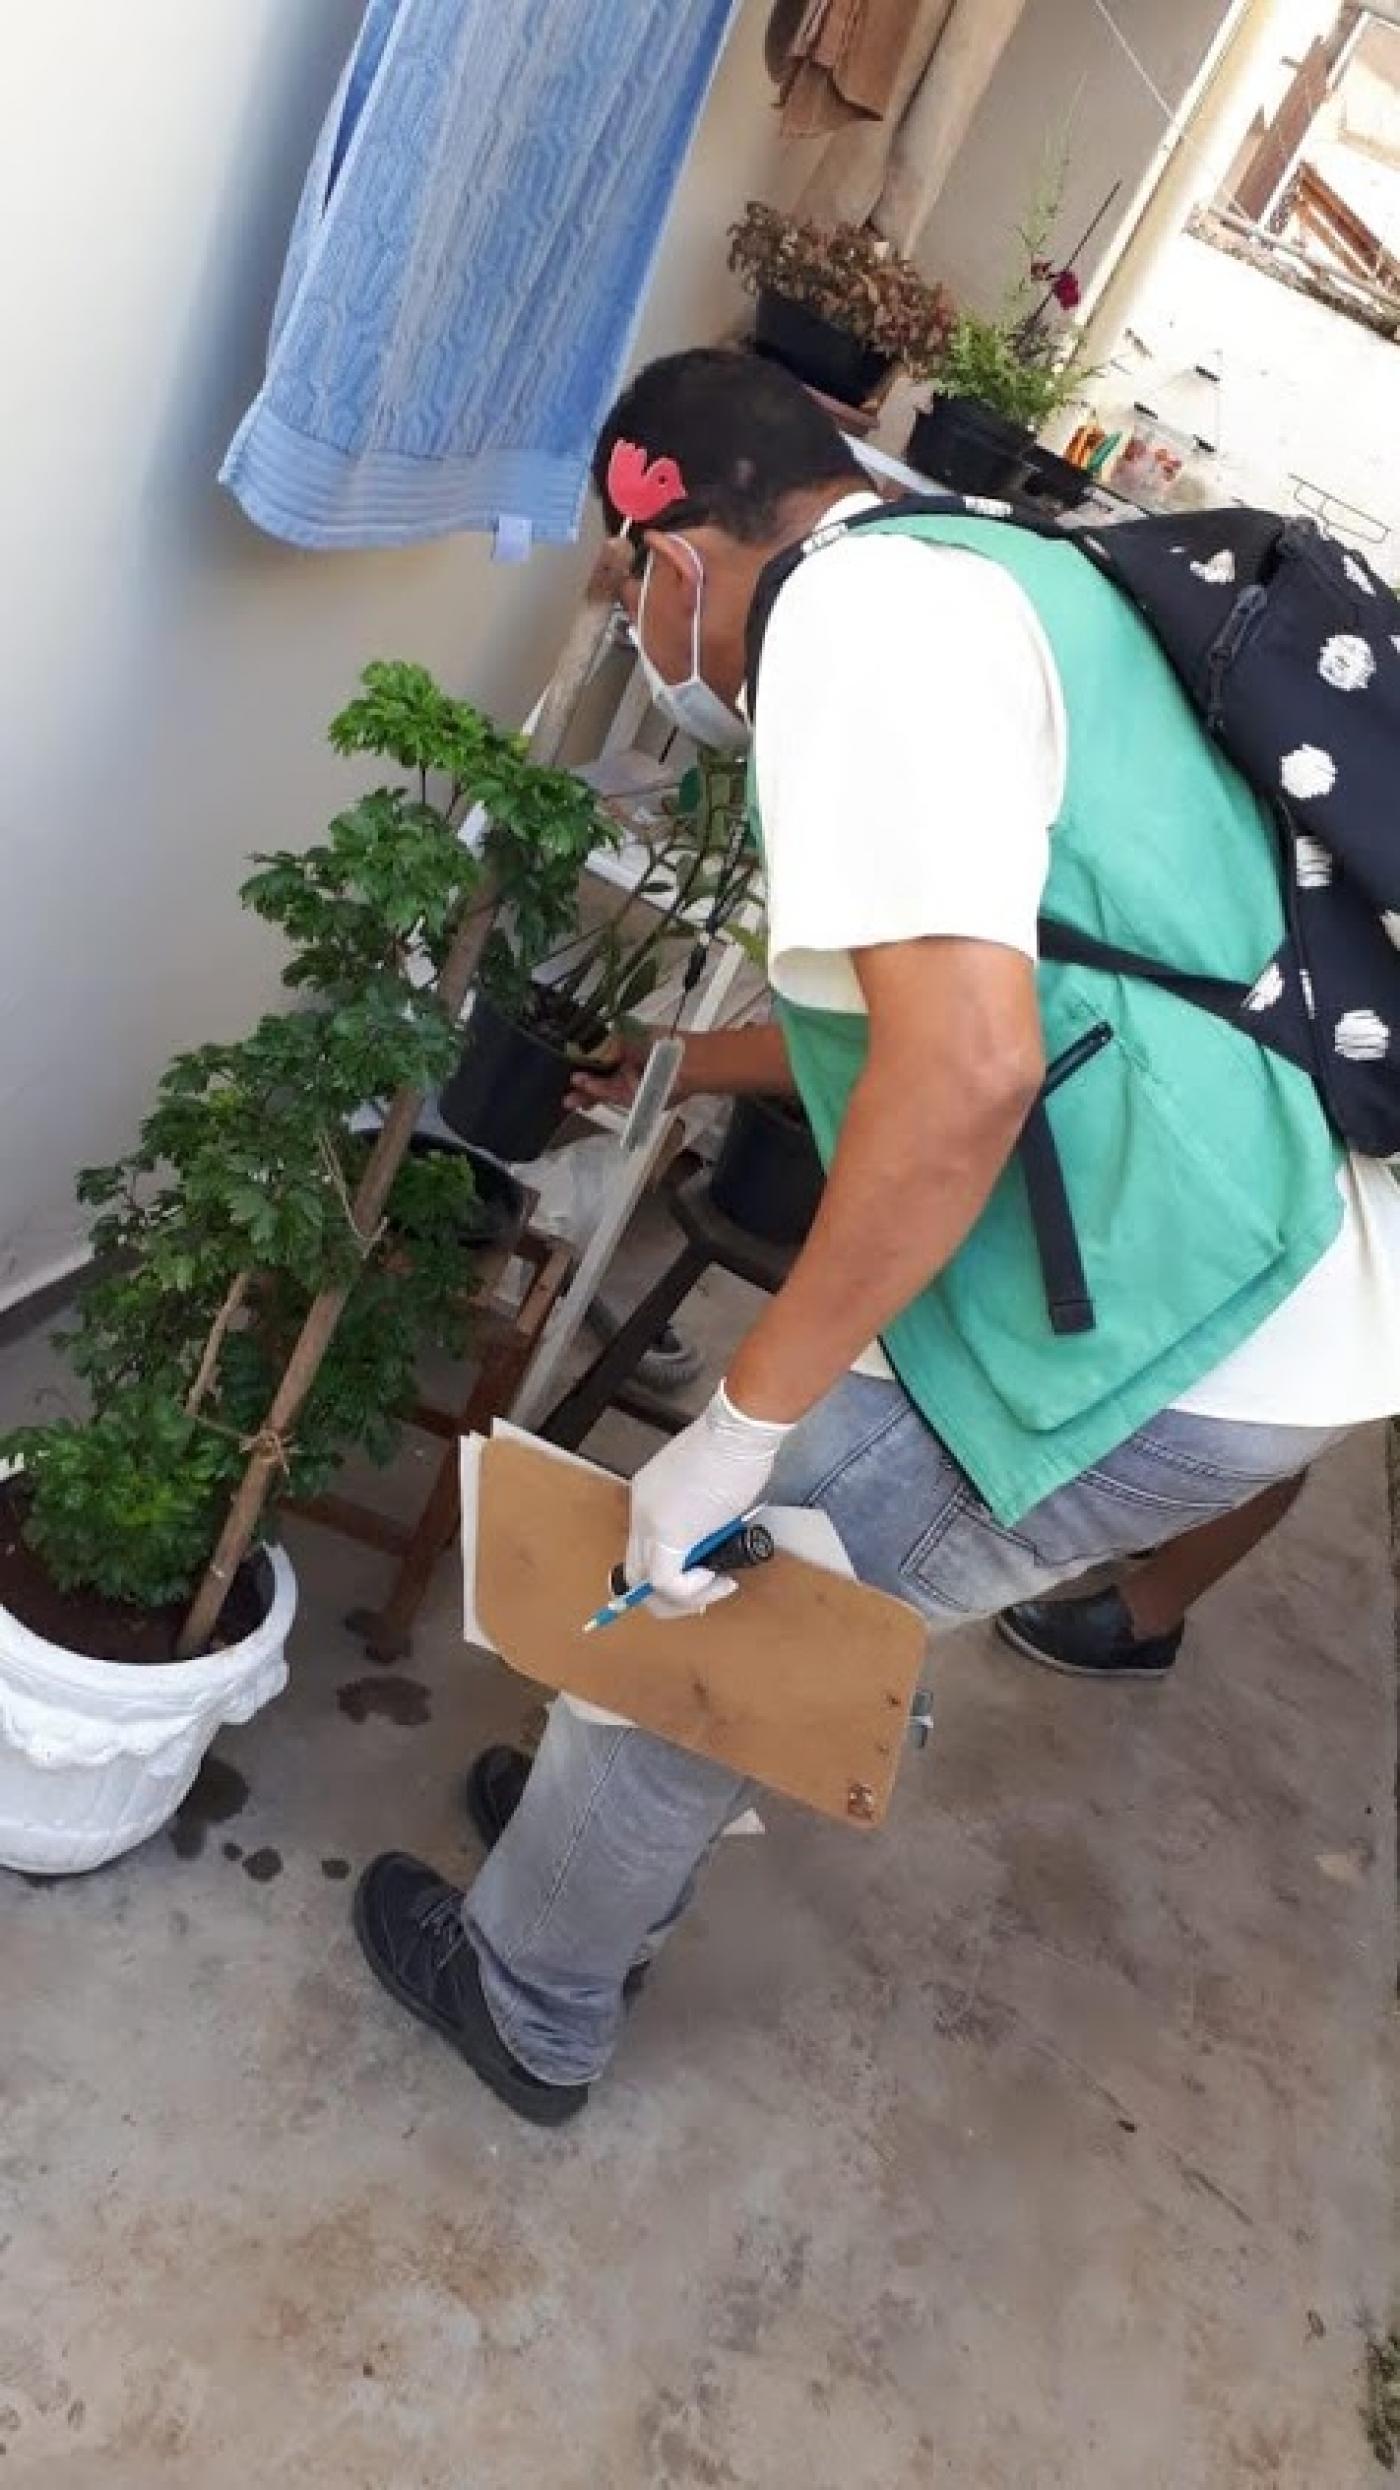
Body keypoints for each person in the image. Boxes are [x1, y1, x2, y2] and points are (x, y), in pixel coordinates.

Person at [352, 350, 1400, 2125]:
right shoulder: (990, 567)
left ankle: (530, 1994)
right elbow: (1033, 968)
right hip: (1227, 1251)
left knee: (715, 1595)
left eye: (625, 592)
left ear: (671, 549)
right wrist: (689, 1058)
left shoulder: (854, 636)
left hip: (1169, 1317)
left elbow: (970, 1067)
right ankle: (595, 1852)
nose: (637, 635)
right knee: (753, 1587)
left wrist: (741, 1420)